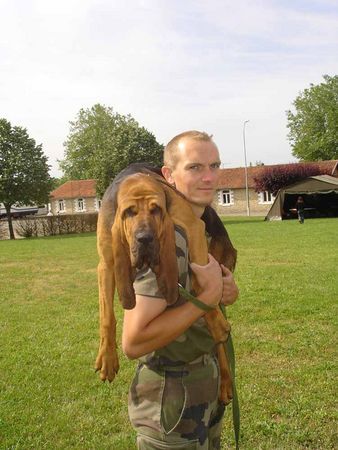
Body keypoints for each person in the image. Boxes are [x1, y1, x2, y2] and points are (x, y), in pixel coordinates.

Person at [122, 130, 239, 449]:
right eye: (195, 167)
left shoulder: (199, 228)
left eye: (214, 165)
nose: (209, 177)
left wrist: (227, 290)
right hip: (171, 412)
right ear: (168, 175)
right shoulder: (163, 237)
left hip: (205, 396)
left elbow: (206, 297)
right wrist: (205, 300)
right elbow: (133, 341)